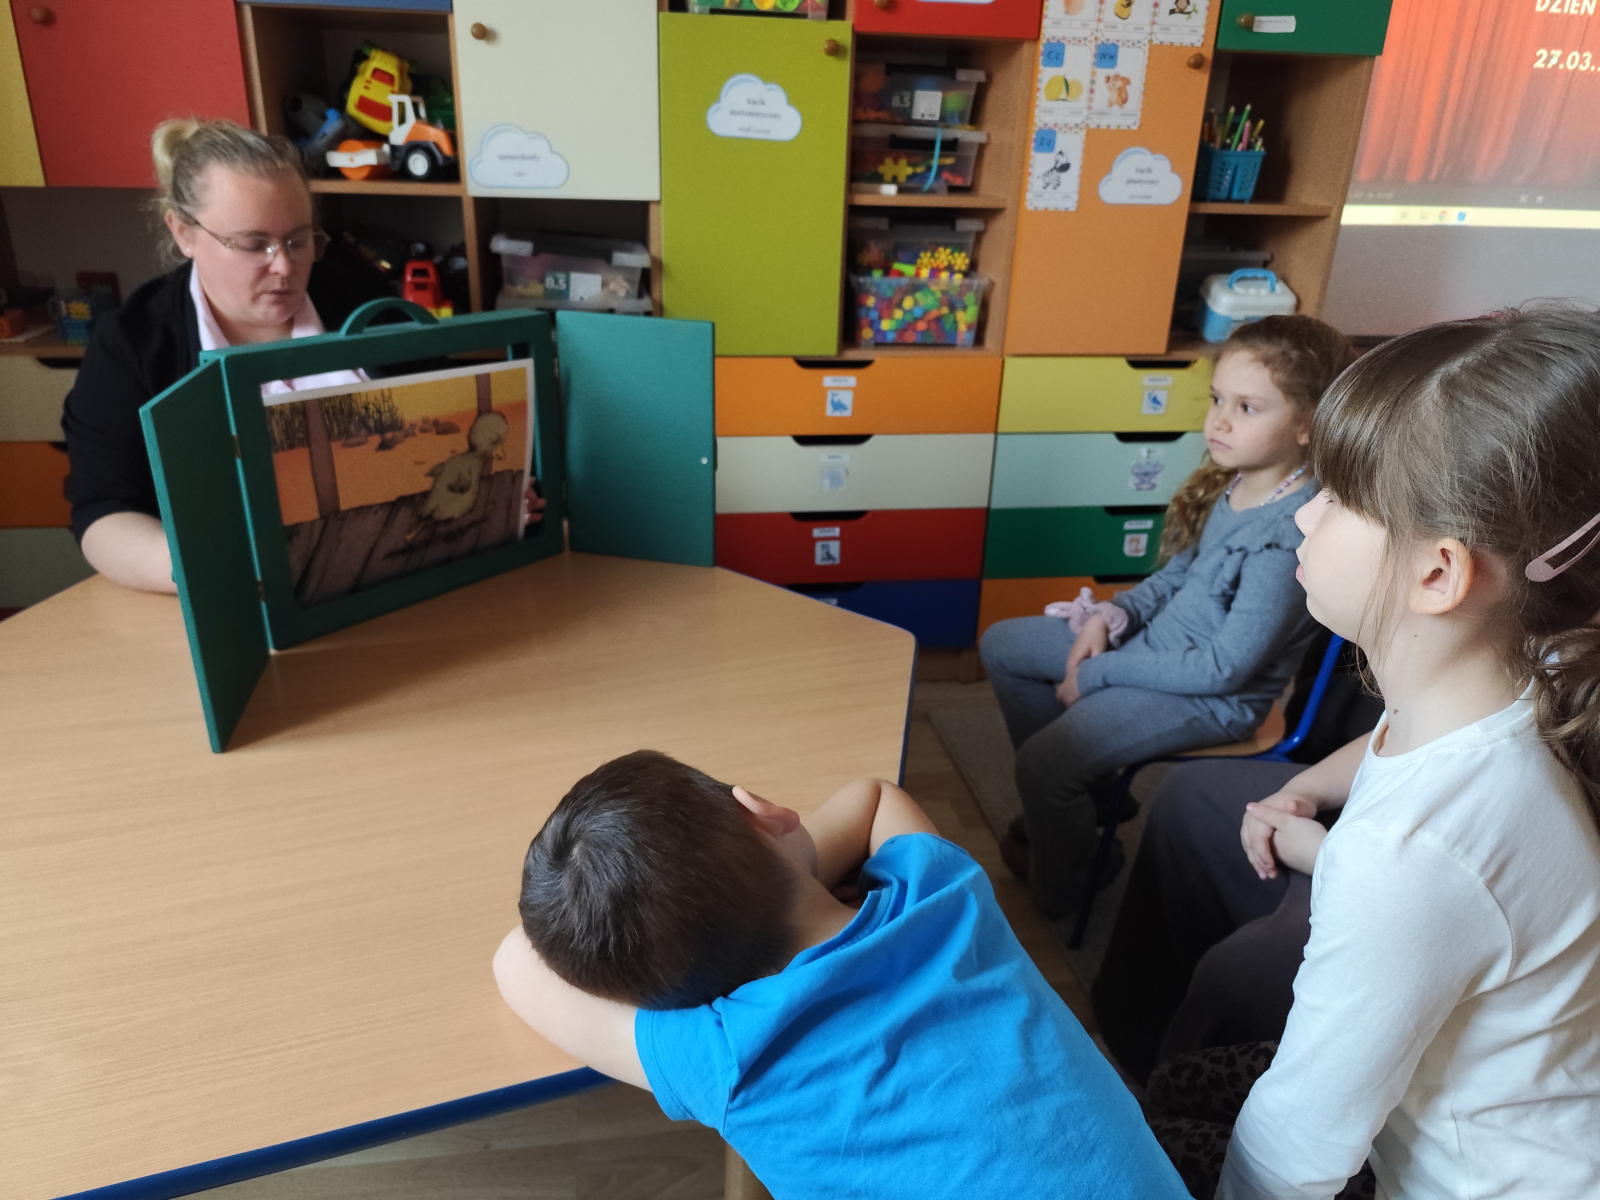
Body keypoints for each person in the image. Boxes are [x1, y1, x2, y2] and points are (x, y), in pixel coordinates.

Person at [1208, 307, 1600, 1198]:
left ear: (1437, 573)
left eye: (1340, 499)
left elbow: (1290, 1154)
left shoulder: (1409, 852)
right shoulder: (1530, 676)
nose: (1306, 514)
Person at [492, 751, 1190, 1199]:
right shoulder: (943, 895)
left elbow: (515, 961)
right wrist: (780, 865)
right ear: (765, 811)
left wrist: (694, 944)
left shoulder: (722, 1054)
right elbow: (874, 797)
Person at [980, 316, 1356, 919]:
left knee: (1043, 764)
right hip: (1155, 649)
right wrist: (1113, 614)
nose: (1219, 421)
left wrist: (1098, 673)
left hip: (1211, 696)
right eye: (1217, 399)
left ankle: (1066, 883)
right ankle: (1085, 797)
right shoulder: (1243, 483)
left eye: (1247, 407)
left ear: (1308, 424)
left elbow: (1223, 669)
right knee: (1005, 645)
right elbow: (1179, 575)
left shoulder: (1285, 535)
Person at [62, 118, 384, 594]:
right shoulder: (132, 345)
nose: (284, 265)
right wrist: (208, 571)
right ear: (183, 233)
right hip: (234, 604)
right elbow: (103, 511)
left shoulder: (361, 296)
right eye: (254, 244)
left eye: (298, 239)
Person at [1091, 635, 1384, 1087]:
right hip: (1362, 818)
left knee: (1239, 974)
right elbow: (1401, 730)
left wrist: (1324, 857)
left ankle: (1178, 1099)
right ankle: (1135, 1045)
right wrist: (1301, 792)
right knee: (1187, 795)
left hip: (1380, 881)